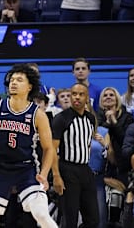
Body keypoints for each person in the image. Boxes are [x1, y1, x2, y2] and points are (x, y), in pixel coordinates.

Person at [0, 63, 57, 228]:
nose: (13, 83)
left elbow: (48, 148)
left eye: (19, 80)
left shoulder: (37, 114)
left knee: (42, 215)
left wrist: (44, 174)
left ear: (30, 86)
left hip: (26, 169)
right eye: (12, 80)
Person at [51, 83, 99, 228]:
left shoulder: (90, 118)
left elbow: (87, 143)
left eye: (81, 94)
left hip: (85, 169)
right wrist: (56, 176)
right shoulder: (61, 118)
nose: (77, 97)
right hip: (67, 169)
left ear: (87, 98)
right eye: (74, 94)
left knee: (93, 220)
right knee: (70, 219)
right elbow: (52, 149)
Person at [96, 87, 134, 181]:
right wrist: (108, 122)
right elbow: (99, 134)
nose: (108, 97)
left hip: (121, 160)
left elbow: (124, 139)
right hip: (101, 159)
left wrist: (114, 121)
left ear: (117, 99)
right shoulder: (96, 116)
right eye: (105, 95)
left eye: (111, 95)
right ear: (101, 100)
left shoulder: (127, 117)